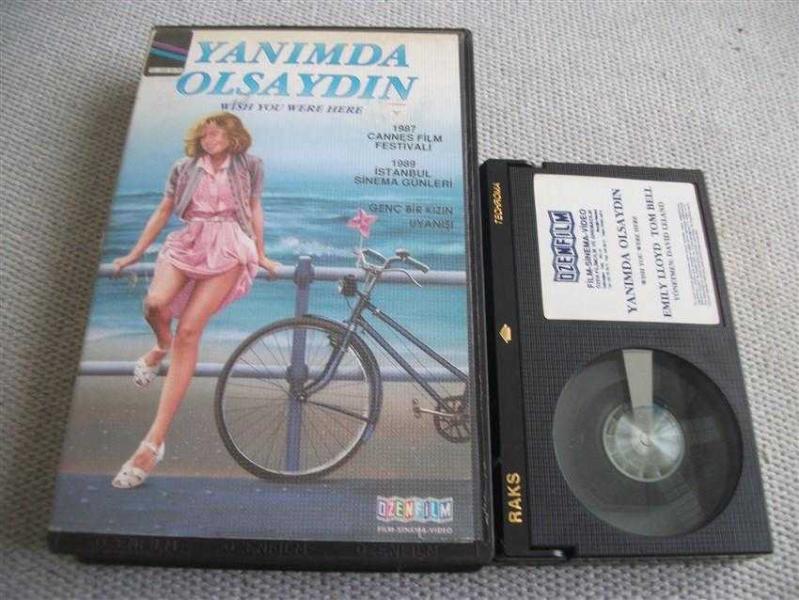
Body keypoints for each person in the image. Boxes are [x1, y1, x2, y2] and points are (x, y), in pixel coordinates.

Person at [110, 111, 280, 488]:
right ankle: (160, 347)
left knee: (189, 331)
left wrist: (262, 253)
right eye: (204, 136)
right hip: (189, 240)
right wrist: (135, 253)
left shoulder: (250, 165)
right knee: (154, 304)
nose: (208, 140)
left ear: (233, 137)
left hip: (230, 246)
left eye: (215, 135)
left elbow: (254, 207)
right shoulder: (183, 168)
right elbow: (164, 210)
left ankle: (153, 443)